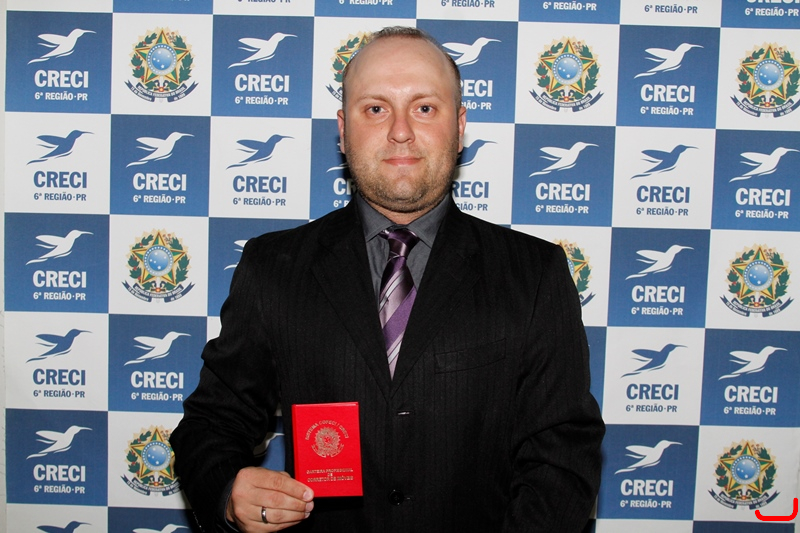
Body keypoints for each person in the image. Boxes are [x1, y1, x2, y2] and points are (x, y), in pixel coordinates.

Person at [171, 26, 604, 533]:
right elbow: (213, 422)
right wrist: (228, 491)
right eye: (375, 108)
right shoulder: (274, 267)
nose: (400, 130)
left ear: (459, 126)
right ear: (343, 129)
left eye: (425, 108)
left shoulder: (533, 273)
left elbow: (562, 455)